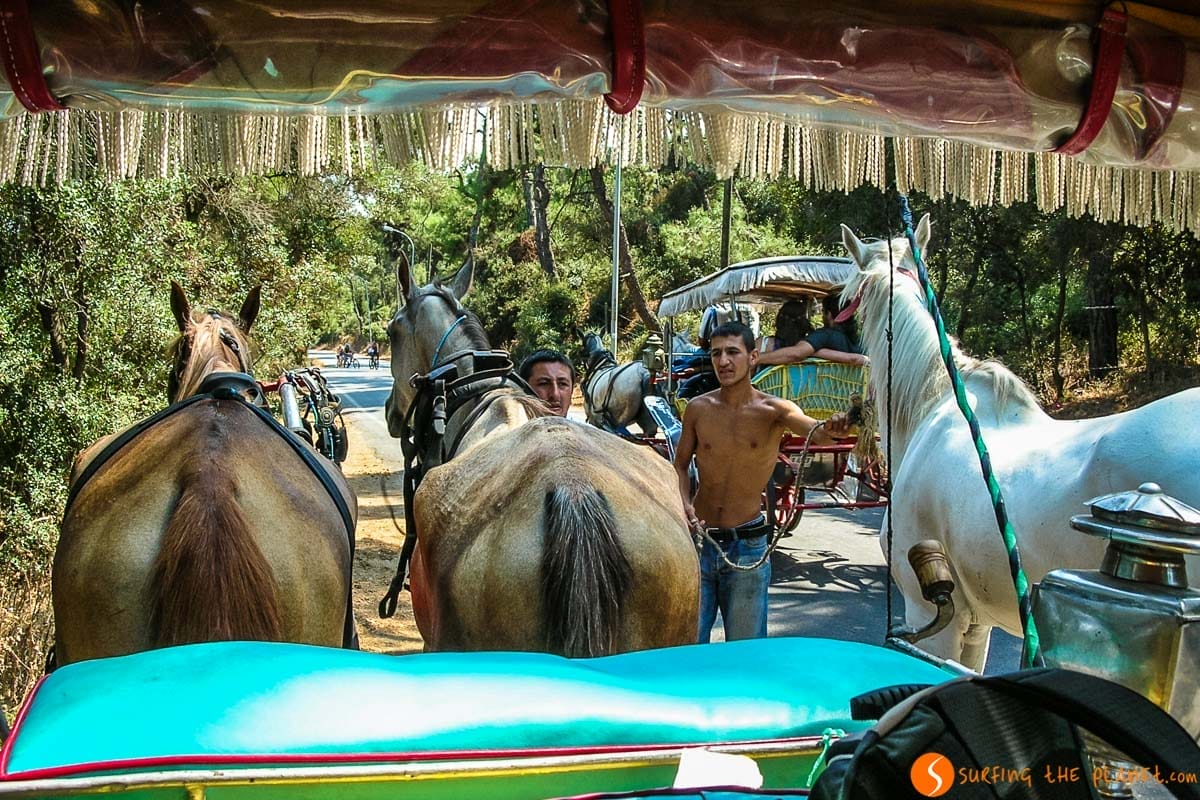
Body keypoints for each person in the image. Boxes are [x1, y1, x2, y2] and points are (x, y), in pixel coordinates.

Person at [674, 320, 851, 642]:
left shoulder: (775, 411)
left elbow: (818, 430)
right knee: (686, 649)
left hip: (749, 549)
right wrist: (683, 503)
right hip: (698, 542)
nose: (723, 361)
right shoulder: (698, 409)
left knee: (747, 655)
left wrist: (837, 425)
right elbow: (681, 465)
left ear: (753, 356)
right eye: (716, 354)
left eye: (733, 352)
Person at [757, 294, 867, 367]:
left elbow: (796, 353)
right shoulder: (860, 341)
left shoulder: (824, 336)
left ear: (829, 314)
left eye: (823, 311)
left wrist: (756, 359)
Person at [518, 349, 576, 417]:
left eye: (563, 384)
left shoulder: (585, 427)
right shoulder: (510, 427)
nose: (555, 395)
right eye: (544, 384)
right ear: (523, 390)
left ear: (572, 390)